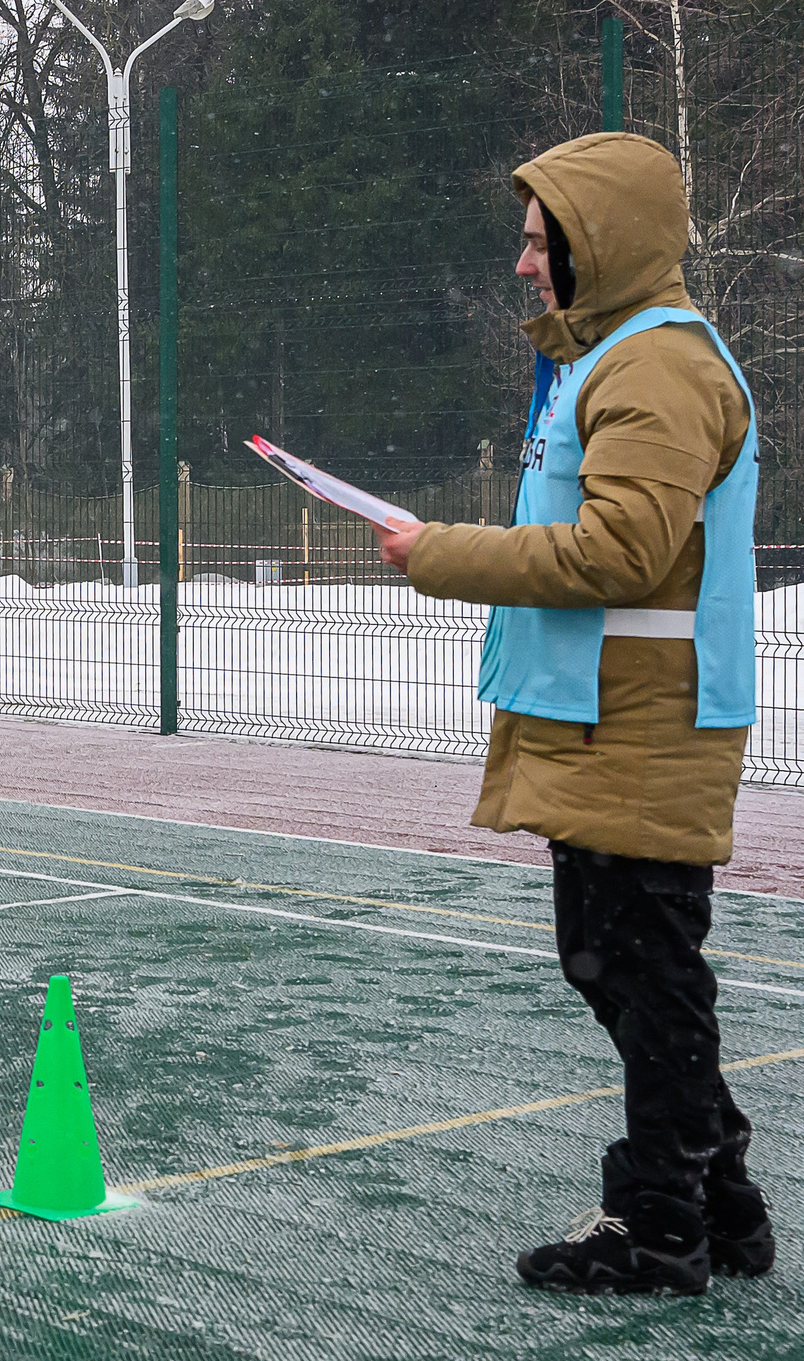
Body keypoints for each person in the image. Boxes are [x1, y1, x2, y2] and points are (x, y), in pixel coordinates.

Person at [373, 132, 765, 1296]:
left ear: (602, 249)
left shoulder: (654, 368)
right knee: (624, 971)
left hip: (641, 725)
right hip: (609, 718)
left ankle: (661, 1231)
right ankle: (716, 1208)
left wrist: (438, 554)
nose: (523, 265)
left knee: (645, 975)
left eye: (541, 244)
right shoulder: (617, 362)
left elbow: (622, 550)